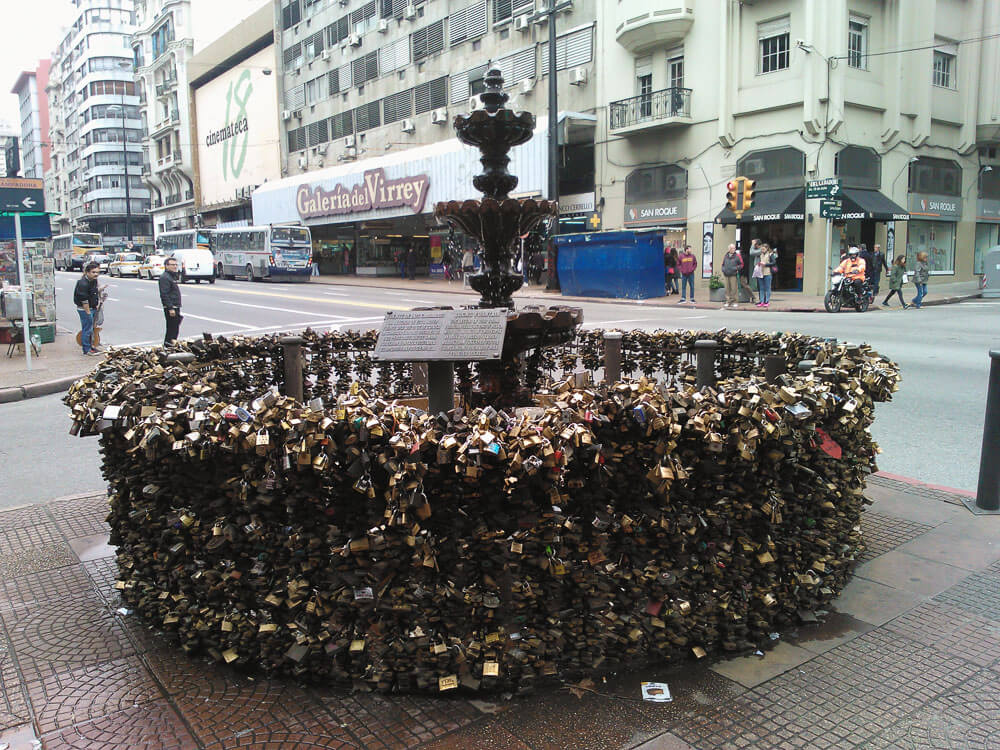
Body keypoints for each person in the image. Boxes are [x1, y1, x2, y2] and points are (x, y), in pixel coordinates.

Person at [74, 261, 101, 356]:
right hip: (85, 309)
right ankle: (86, 349)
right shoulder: (83, 283)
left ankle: (91, 346)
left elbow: (94, 293)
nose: (96, 274)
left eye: (97, 272)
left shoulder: (93, 281)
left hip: (92, 307)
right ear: (87, 272)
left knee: (91, 329)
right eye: (93, 272)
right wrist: (88, 312)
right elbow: (84, 300)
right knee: (87, 329)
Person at [159, 256, 183, 347]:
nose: (175, 266)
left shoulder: (170, 276)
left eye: (176, 265)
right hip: (171, 308)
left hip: (175, 306)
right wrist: (170, 308)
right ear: (166, 266)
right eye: (172, 265)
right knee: (171, 330)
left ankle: (170, 347)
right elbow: (164, 294)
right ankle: (168, 348)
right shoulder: (165, 277)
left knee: (174, 329)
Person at [720, 243, 744, 308]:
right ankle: (728, 301)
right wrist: (723, 269)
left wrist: (736, 268)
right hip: (726, 274)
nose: (732, 249)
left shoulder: (737, 256)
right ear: (729, 249)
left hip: (733, 274)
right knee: (727, 289)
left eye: (733, 248)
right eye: (731, 248)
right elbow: (723, 264)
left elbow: (741, 264)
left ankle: (735, 301)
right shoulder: (726, 255)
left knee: (734, 289)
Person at [755, 243, 775, 308]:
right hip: (760, 273)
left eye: (763, 249)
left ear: (767, 248)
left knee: (767, 288)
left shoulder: (770, 254)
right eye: (761, 249)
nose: (762, 250)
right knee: (761, 288)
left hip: (767, 273)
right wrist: (758, 264)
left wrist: (766, 264)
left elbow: (774, 262)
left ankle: (767, 301)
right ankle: (761, 301)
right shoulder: (760, 254)